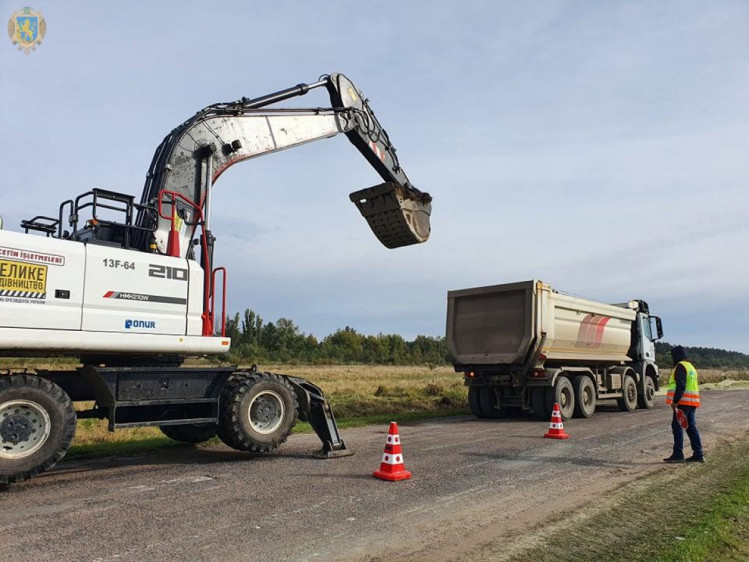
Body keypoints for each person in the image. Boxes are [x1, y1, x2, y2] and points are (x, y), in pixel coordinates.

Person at [663, 345, 704, 463]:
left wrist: (675, 401)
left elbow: (681, 385)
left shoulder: (680, 366)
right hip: (692, 402)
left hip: (683, 402)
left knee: (677, 426)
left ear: (676, 356)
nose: (671, 358)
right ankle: (698, 453)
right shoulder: (690, 366)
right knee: (691, 427)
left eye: (672, 356)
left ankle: (678, 454)